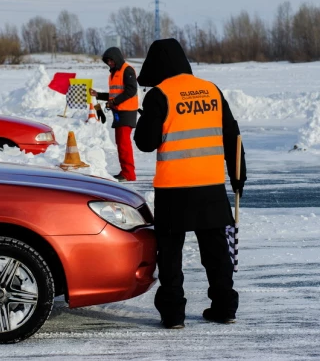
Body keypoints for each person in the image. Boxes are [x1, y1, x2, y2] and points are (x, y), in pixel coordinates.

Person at [134, 38, 246, 329]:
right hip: (210, 188)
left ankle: (173, 315)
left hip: (174, 190)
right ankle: (224, 308)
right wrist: (237, 178)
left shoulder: (160, 95)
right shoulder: (212, 90)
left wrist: (146, 119)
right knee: (217, 254)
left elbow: (146, 143)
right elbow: (232, 137)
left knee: (170, 257)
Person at [90, 47, 139, 182]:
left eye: (111, 60)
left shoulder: (127, 70)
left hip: (127, 112)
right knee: (120, 143)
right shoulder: (114, 73)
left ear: (117, 58)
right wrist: (98, 95)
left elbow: (131, 90)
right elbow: (114, 94)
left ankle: (129, 174)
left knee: (124, 144)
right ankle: (125, 171)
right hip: (119, 111)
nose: (110, 63)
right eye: (108, 61)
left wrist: (114, 102)